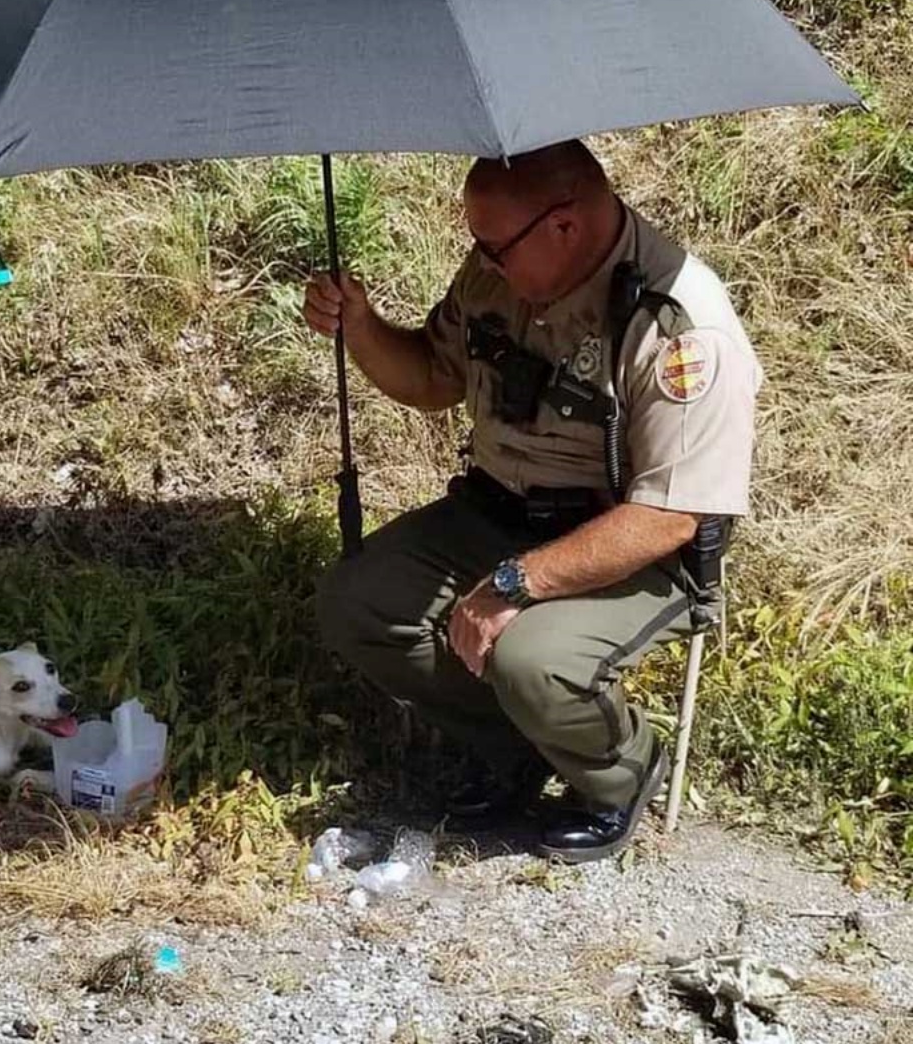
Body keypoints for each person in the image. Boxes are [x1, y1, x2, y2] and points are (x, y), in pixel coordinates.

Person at [305, 141, 761, 863]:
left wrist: (515, 584)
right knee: (358, 601)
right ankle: (519, 745)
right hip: (494, 512)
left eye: (495, 246)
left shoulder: (679, 324)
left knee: (530, 657)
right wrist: (360, 326)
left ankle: (619, 772)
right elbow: (432, 377)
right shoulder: (500, 274)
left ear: (565, 226)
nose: (482, 261)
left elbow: (673, 513)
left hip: (629, 549)